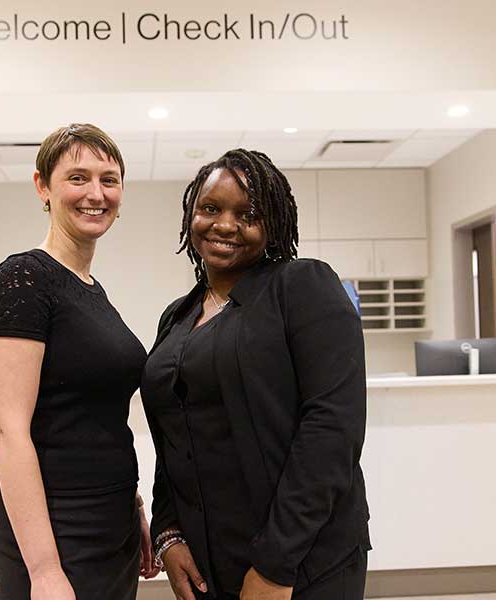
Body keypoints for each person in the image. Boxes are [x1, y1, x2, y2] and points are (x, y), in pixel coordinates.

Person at [141, 149, 371, 600]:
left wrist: (274, 566)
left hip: (302, 562)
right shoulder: (177, 316)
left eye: (247, 214)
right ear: (191, 214)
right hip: (209, 559)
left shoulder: (302, 287)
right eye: (210, 209)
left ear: (274, 224)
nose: (224, 225)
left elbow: (331, 431)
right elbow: (172, 434)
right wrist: (168, 531)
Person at [0, 123, 159, 600]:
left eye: (109, 179)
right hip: (57, 527)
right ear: (43, 186)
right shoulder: (24, 278)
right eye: (78, 178)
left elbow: (92, 418)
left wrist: (131, 504)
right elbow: (7, 430)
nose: (96, 193)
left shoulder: (90, 289)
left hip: (111, 519)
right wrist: (43, 570)